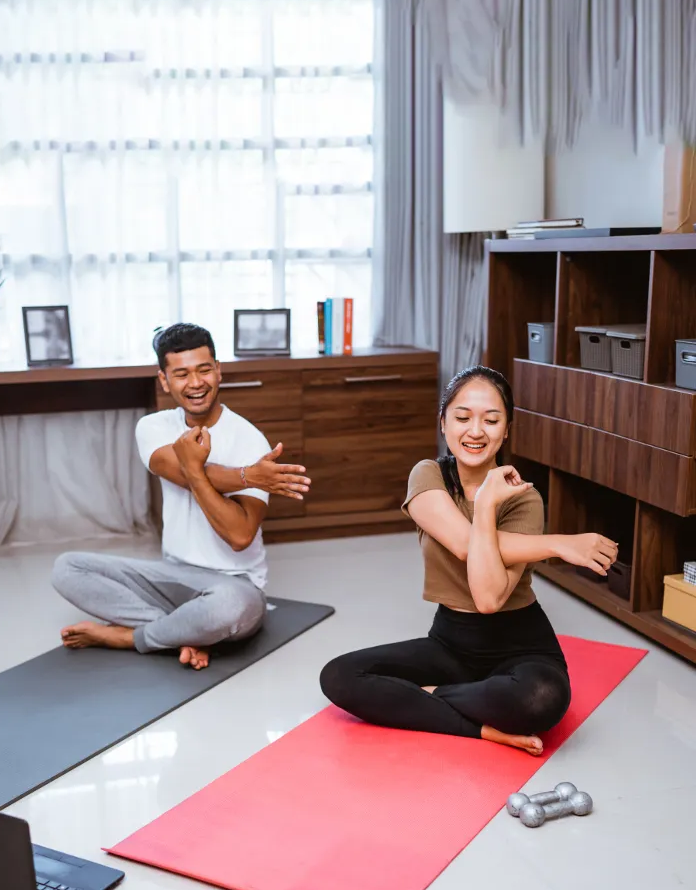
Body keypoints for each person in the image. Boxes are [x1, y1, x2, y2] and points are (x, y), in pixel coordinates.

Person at [320, 366, 618, 756]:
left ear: (506, 429)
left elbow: (489, 598)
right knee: (340, 676)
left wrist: (493, 502)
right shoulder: (428, 476)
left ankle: (427, 698)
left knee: (541, 698)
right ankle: (482, 729)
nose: (475, 431)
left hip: (522, 646)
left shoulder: (525, 499)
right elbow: (464, 545)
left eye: (491, 420)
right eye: (462, 418)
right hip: (449, 643)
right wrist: (556, 544)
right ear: (443, 422)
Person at [53, 322, 310, 670]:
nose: (195, 383)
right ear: (164, 380)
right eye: (181, 374)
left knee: (232, 608)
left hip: (235, 584)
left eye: (204, 370)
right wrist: (247, 475)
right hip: (173, 577)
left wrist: (194, 468)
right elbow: (175, 467)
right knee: (67, 568)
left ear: (218, 371)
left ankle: (131, 637)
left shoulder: (250, 441)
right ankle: (185, 632)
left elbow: (239, 536)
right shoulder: (154, 427)